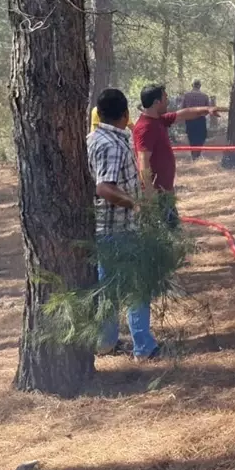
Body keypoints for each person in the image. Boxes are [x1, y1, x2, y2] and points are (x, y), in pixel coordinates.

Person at [88, 88, 159, 360]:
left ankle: (106, 343)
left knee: (109, 291)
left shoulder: (94, 139)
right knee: (137, 286)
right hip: (117, 230)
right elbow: (104, 188)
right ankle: (144, 347)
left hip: (107, 230)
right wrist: (135, 203)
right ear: (125, 113)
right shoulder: (111, 145)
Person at [133, 83, 220, 226]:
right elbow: (143, 160)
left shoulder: (159, 120)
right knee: (164, 232)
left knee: (172, 229)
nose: (168, 101)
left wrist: (207, 109)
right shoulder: (145, 127)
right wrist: (150, 193)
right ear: (157, 102)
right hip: (157, 195)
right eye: (165, 98)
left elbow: (185, 113)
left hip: (165, 192)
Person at [180, 79, 212, 159]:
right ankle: (197, 154)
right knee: (201, 137)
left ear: (192, 85)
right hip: (200, 120)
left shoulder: (187, 95)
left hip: (190, 120)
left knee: (192, 137)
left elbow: (182, 108)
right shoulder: (205, 96)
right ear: (200, 86)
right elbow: (208, 110)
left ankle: (193, 154)